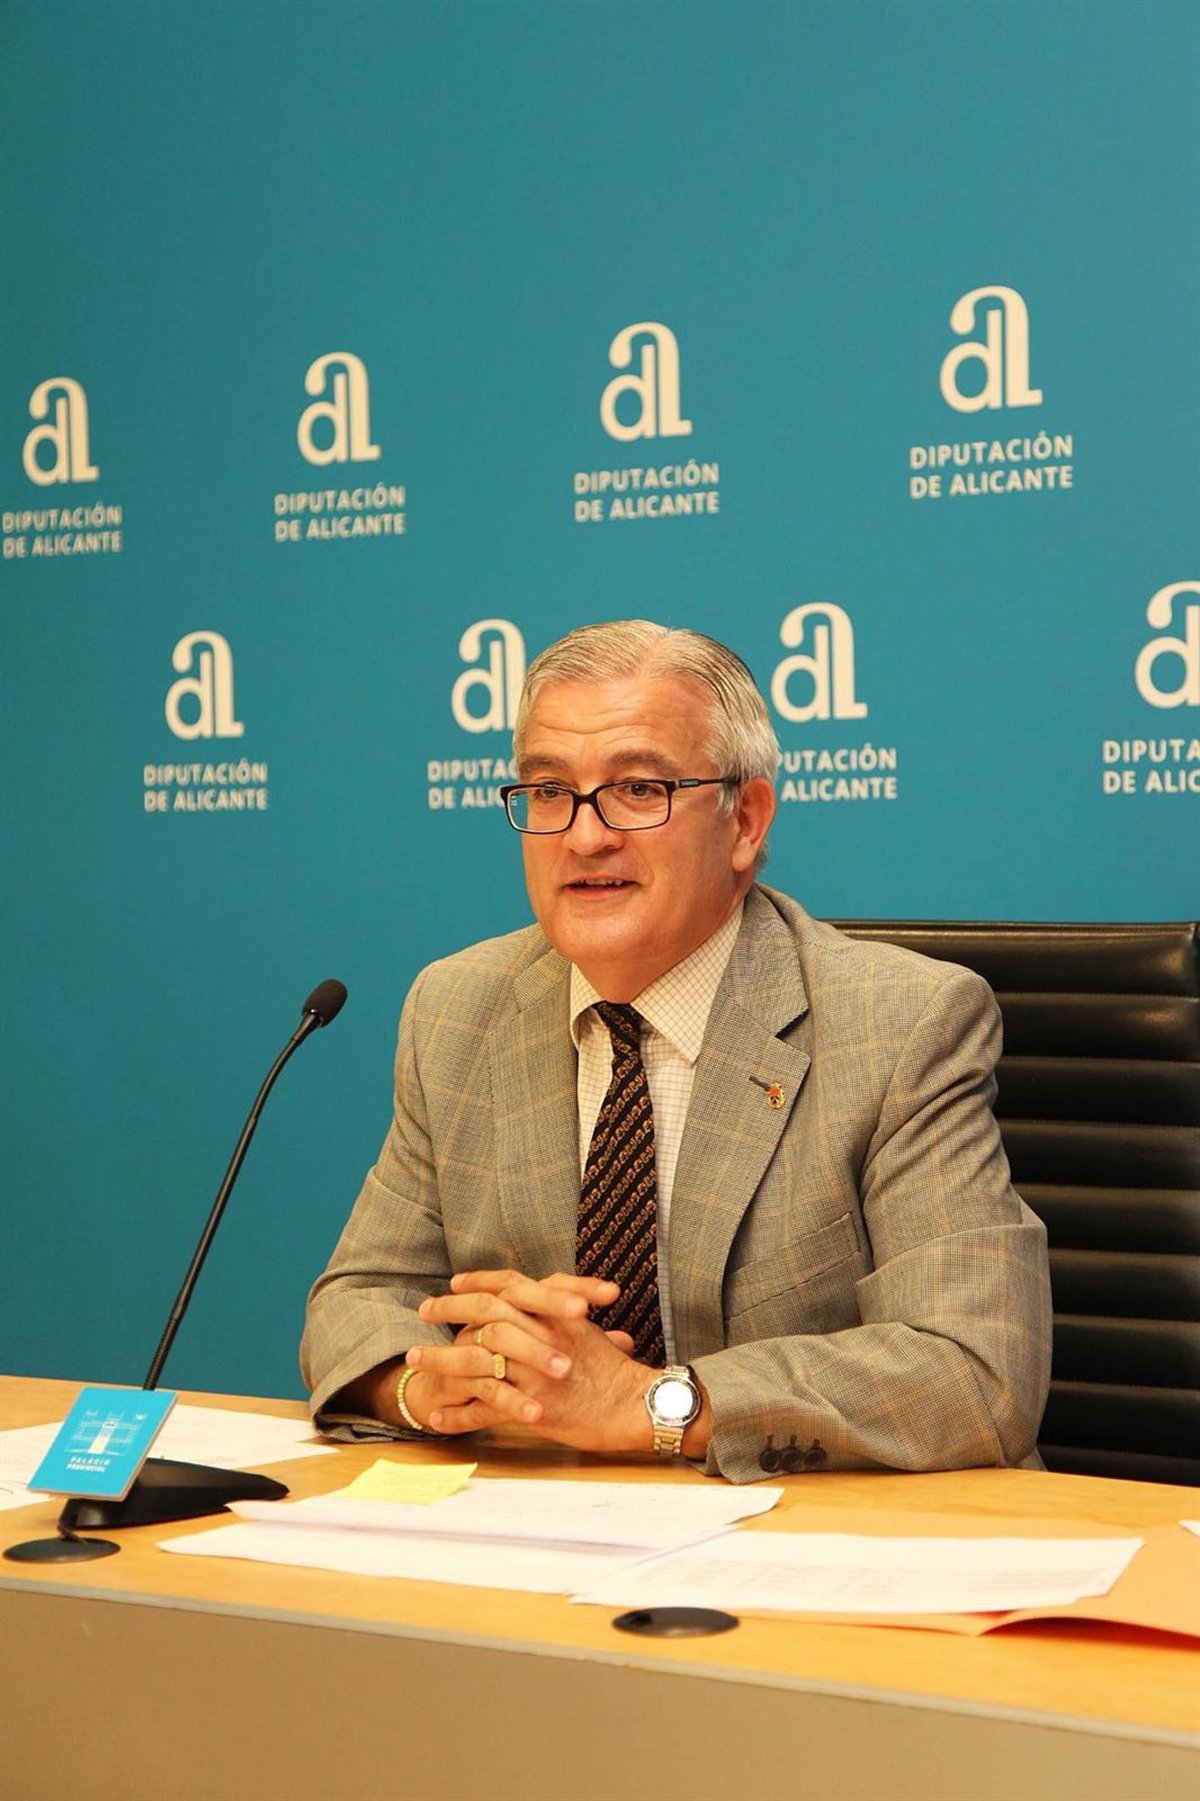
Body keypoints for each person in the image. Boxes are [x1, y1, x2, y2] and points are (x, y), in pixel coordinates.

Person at [302, 620, 1051, 1482]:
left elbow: (976, 1366)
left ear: (746, 821)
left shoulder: (899, 1024)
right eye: (549, 791)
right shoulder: (458, 1009)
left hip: (824, 1533)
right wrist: (427, 1384)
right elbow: (356, 1302)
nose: (585, 836)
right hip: (549, 1533)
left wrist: (649, 1404)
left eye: (637, 788)